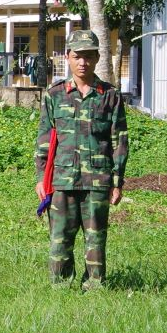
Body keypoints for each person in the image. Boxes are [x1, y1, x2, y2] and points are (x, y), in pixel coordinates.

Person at [34, 29, 127, 286]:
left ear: (97, 58)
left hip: (98, 180)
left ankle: (95, 287)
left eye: (88, 56)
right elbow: (44, 140)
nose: (82, 62)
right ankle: (61, 287)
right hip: (62, 178)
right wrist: (42, 178)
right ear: (68, 57)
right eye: (77, 56)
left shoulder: (110, 96)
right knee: (60, 238)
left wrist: (117, 182)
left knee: (95, 239)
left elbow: (119, 141)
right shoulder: (55, 95)